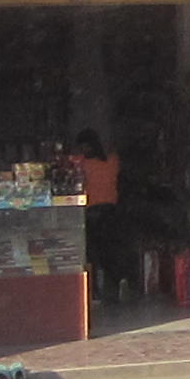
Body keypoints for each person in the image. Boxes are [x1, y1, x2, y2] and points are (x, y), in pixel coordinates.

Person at [68, 128, 120, 299]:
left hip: (91, 212)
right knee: (109, 250)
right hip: (110, 211)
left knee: (91, 253)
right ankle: (115, 285)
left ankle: (94, 290)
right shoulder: (112, 161)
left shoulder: (83, 164)